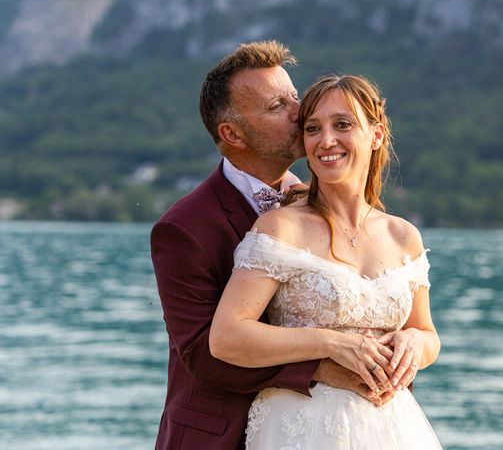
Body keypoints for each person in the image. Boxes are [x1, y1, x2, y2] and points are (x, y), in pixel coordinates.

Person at [150, 42, 384, 450]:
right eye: (277, 106)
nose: (300, 112)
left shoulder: (321, 201)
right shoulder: (183, 227)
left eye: (294, 97)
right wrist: (322, 368)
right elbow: (203, 356)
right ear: (232, 133)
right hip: (221, 437)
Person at [210, 74, 443, 448]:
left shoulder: (404, 236)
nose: (326, 141)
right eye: (313, 128)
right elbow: (227, 337)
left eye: (343, 125)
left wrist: (415, 342)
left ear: (377, 135)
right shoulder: (280, 227)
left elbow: (429, 335)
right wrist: (331, 345)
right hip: (301, 428)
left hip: (392, 427)